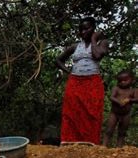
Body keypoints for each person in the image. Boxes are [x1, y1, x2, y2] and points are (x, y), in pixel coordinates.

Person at [56, 17, 109, 145]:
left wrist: (94, 39)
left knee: (92, 112)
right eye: (81, 29)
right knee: (71, 112)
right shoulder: (75, 46)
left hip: (93, 82)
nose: (83, 31)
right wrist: (69, 71)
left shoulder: (102, 43)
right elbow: (58, 60)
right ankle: (70, 142)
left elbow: (97, 55)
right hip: (75, 82)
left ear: (94, 29)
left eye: (87, 28)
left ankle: (89, 143)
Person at [103, 70, 137, 147]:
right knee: (109, 130)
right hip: (114, 113)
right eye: (120, 80)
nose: (122, 82)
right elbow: (112, 97)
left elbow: (137, 99)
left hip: (126, 115)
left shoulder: (134, 90)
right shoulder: (116, 88)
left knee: (122, 132)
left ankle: (119, 147)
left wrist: (130, 100)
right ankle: (104, 146)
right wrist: (119, 102)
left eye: (125, 80)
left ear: (132, 80)